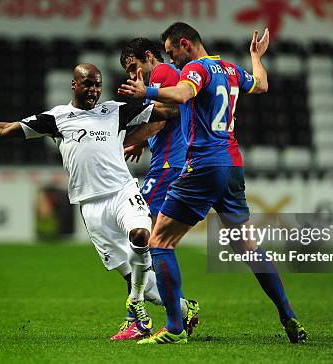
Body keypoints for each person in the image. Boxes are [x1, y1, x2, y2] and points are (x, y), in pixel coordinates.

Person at [0, 63, 184, 340]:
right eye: (87, 84)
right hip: (91, 206)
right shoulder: (57, 118)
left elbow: (168, 113)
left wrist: (174, 101)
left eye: (97, 84)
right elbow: (7, 129)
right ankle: (182, 308)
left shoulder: (114, 110)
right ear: (74, 85)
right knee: (143, 282)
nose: (94, 90)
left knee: (140, 233)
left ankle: (135, 307)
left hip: (122, 191)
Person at [119, 23, 307, 344]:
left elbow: (181, 94)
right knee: (247, 247)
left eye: (172, 52)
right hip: (232, 165)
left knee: (159, 242)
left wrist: (146, 92)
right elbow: (261, 85)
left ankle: (175, 328)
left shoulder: (195, 68)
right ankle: (288, 314)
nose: (172, 60)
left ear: (185, 44)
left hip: (203, 165)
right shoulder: (231, 69)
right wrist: (255, 56)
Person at [117, 37, 200, 340]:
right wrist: (142, 141)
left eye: (133, 66)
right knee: (152, 244)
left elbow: (162, 119)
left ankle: (139, 319)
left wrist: (123, 143)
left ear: (148, 56)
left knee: (138, 239)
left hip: (168, 169)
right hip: (169, 166)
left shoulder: (162, 74)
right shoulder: (165, 80)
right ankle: (175, 311)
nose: (132, 75)